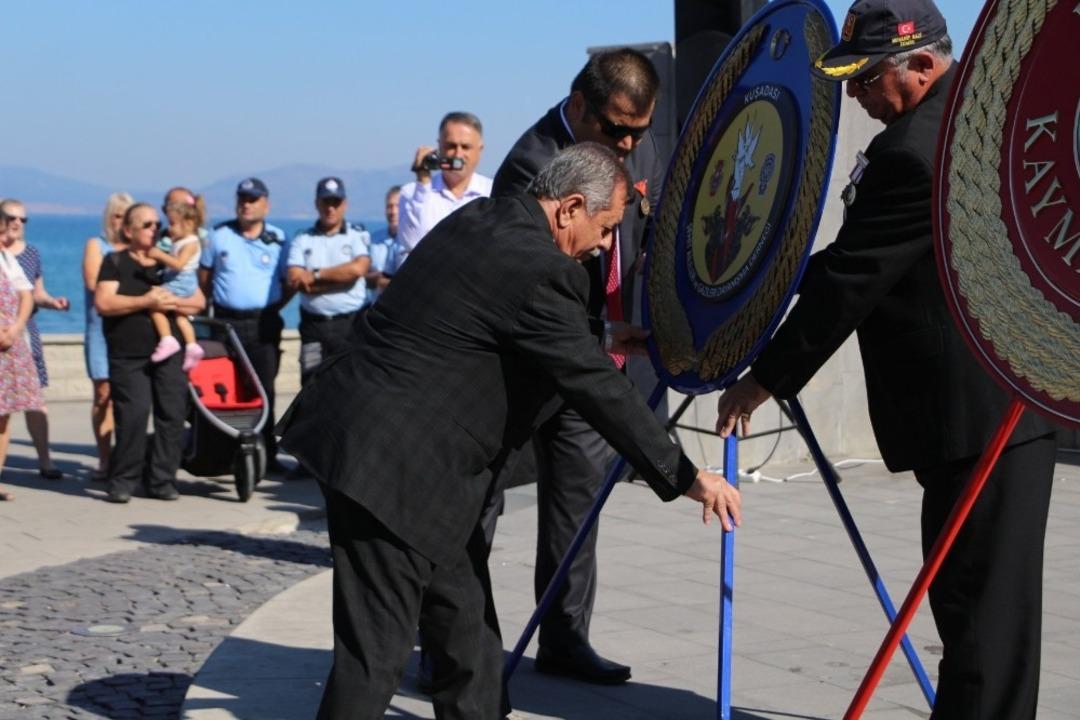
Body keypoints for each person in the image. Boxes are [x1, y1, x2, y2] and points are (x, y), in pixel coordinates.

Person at [277, 143, 741, 720]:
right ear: (570, 207)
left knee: (467, 636)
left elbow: (491, 313)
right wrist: (688, 476)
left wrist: (599, 336)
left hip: (403, 459)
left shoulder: (482, 218)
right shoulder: (545, 270)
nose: (603, 247)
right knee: (376, 653)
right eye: (605, 229)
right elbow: (598, 389)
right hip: (393, 468)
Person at [713, 2, 1057, 717]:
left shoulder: (915, 150)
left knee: (983, 613)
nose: (857, 95)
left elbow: (851, 284)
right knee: (978, 605)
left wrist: (763, 381)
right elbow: (857, 259)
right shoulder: (967, 122)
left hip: (979, 420)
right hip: (993, 408)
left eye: (868, 78)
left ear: (924, 64)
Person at [486, 47, 665, 684]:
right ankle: (459, 652)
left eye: (636, 133)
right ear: (579, 105)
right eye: (613, 128)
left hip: (598, 354)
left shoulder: (638, 149)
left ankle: (564, 639)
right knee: (481, 509)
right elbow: (523, 291)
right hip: (522, 362)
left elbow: (648, 236)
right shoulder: (532, 166)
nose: (624, 143)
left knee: (577, 507)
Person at [95, 203, 205, 504]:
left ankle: (162, 480)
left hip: (169, 354)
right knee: (134, 414)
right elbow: (104, 303)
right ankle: (124, 480)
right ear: (128, 231)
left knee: (171, 414)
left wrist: (169, 302)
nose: (155, 229)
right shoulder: (115, 261)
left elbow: (197, 301)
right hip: (128, 354)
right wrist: (145, 301)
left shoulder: (167, 263)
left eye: (157, 224)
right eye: (146, 225)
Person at [199, 178, 291, 471]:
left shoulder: (278, 239)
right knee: (227, 390)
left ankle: (268, 456)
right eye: (242, 199)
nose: (246, 205)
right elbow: (205, 278)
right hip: (225, 323)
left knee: (264, 389)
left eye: (252, 199)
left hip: (263, 323)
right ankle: (224, 455)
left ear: (266, 204)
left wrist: (273, 305)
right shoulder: (219, 236)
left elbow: (289, 282)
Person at [1, 199, 70, 480]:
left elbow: (33, 293)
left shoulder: (28, 254)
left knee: (32, 400)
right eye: (11, 217)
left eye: (23, 219)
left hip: (21, 337)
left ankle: (45, 460)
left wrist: (52, 303)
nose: (17, 223)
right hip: (10, 336)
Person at [286, 177, 370, 385]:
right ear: (317, 203)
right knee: (310, 384)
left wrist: (315, 276)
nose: (330, 208)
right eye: (326, 202)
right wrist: (343, 280)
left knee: (350, 385)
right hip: (313, 328)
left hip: (349, 325)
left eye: (336, 202)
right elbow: (295, 279)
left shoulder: (355, 236)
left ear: (345, 204)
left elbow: (359, 269)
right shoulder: (302, 239)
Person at [82, 192, 135, 481]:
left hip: (129, 330)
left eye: (127, 216)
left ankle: (125, 457)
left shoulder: (140, 251)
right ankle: (104, 457)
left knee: (128, 396)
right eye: (117, 215)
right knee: (103, 395)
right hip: (100, 330)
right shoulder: (96, 245)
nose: (121, 222)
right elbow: (93, 282)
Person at [397, 111, 492, 251]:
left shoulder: (493, 192)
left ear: (480, 150)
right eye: (451, 146)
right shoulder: (412, 193)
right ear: (439, 146)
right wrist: (423, 181)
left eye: (465, 147)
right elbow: (412, 242)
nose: (458, 154)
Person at [0, 213, 43, 502]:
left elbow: (26, 294)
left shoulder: (6, 259)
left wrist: (16, 328)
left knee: (3, 417)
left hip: (8, 346)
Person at [147, 190, 205, 371]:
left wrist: (158, 255)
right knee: (181, 317)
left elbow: (179, 264)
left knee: (155, 305)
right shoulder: (179, 240)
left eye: (173, 224)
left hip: (181, 281)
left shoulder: (190, 242)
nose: (169, 228)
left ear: (187, 223)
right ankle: (191, 345)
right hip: (182, 281)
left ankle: (167, 339)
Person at [361, 185, 407, 306]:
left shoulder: (413, 241)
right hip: (375, 308)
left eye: (397, 206)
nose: (393, 211)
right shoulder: (373, 240)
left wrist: (381, 282)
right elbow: (361, 275)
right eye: (389, 206)